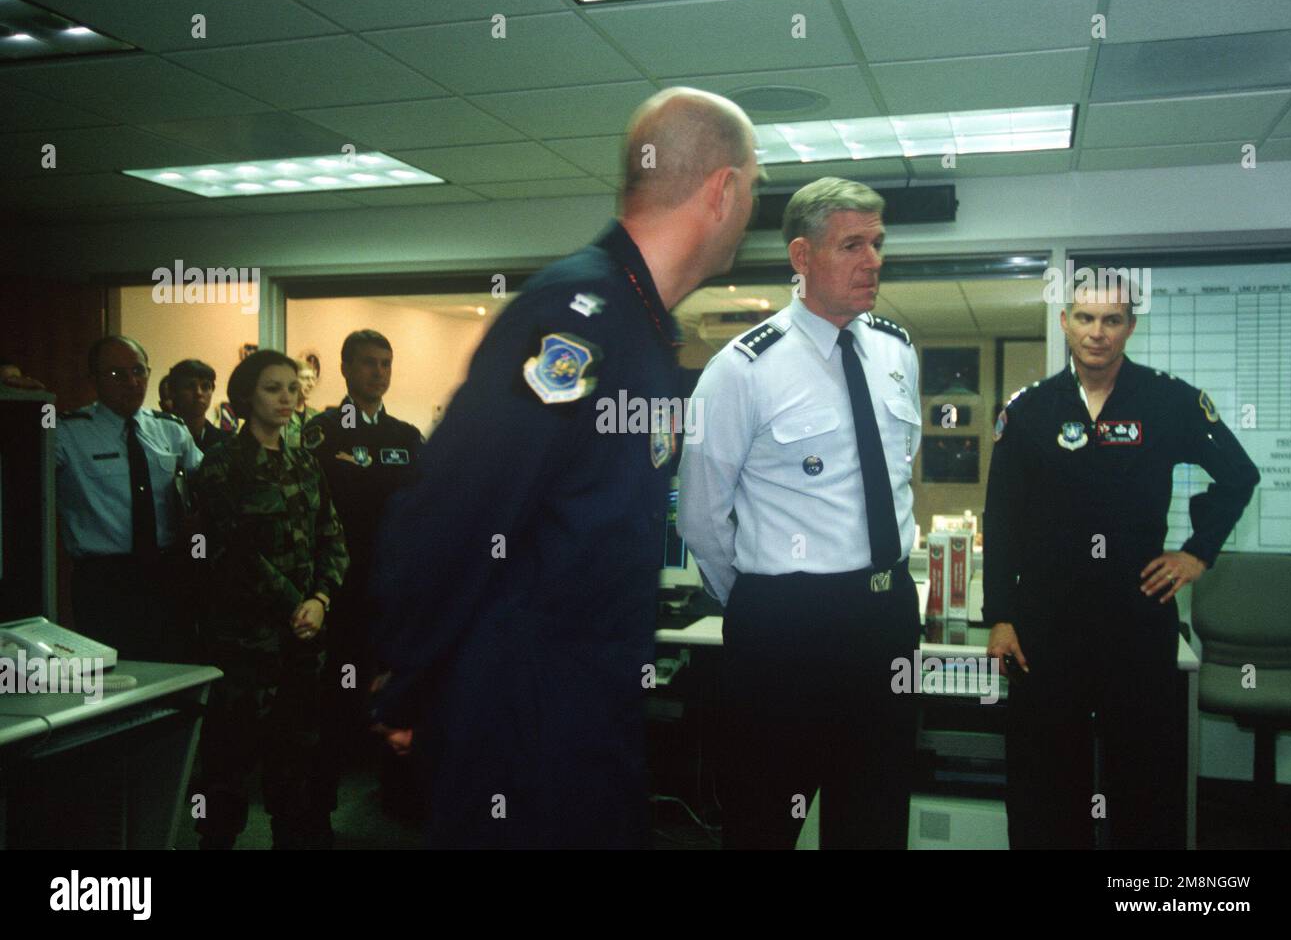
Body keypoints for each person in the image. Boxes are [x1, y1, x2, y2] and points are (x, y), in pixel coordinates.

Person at [369, 87, 761, 848]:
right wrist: (411, 679)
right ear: (723, 191)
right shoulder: (576, 313)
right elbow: (455, 505)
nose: (753, 210)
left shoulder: (644, 327)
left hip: (586, 710)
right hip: (522, 722)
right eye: (755, 187)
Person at [678, 177, 921, 849]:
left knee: (874, 823)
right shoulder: (741, 370)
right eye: (851, 245)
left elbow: (900, 474)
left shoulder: (898, 352)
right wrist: (764, 597)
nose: (873, 261)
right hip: (785, 632)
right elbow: (700, 516)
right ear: (801, 256)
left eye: (877, 243)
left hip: (887, 618)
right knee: (764, 824)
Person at [983, 280, 1260, 849]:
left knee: (1144, 778)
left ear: (1131, 327)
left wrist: (1196, 551)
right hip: (1046, 624)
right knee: (1044, 778)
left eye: (1112, 320)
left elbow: (1239, 475)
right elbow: (1002, 517)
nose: (1097, 332)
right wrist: (1000, 616)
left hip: (1135, 617)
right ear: (1064, 322)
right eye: (1085, 317)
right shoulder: (1030, 409)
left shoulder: (1169, 401)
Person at [191, 349, 349, 850]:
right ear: (245, 397)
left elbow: (333, 538)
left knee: (294, 773)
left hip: (302, 645)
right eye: (272, 388)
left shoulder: (305, 461)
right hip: (245, 646)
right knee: (228, 771)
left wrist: (321, 598)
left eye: (291, 388)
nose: (287, 398)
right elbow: (234, 553)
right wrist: (294, 605)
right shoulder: (220, 466)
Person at [301, 330, 423, 820]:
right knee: (336, 697)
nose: (379, 372)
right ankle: (317, 812)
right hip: (342, 586)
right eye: (369, 363)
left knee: (399, 693)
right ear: (346, 369)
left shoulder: (406, 436)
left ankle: (398, 797)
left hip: (395, 590)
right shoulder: (322, 433)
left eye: (386, 363)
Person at [54, 336, 202, 661]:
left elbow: (210, 486)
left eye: (139, 371)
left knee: (172, 667)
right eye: (116, 374)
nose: (132, 382)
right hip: (104, 580)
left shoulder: (171, 430)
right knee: (112, 673)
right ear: (93, 379)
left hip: (165, 573)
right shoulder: (66, 433)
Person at [167, 358, 227, 452]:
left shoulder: (227, 442)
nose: (199, 393)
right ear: (173, 392)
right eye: (190, 386)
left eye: (205, 387)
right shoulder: (159, 437)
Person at [285, 357, 321, 448]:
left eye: (313, 379)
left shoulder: (316, 416)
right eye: (306, 378)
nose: (311, 384)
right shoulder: (279, 414)